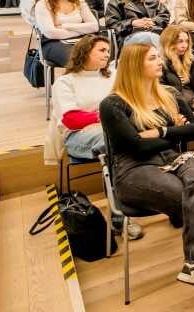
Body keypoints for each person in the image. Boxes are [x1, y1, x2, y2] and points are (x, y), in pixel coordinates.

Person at [99, 43, 194, 307]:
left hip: (172, 158)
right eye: (153, 58)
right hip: (134, 170)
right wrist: (175, 131)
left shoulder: (169, 94)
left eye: (158, 57)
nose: (160, 62)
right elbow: (136, 147)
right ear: (134, 65)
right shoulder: (113, 104)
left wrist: (161, 132)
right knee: (193, 197)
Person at [45, 35, 143, 240]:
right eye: (101, 50)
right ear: (84, 52)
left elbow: (131, 103)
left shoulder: (113, 76)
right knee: (118, 141)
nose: (107, 54)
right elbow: (72, 119)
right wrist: (107, 115)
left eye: (108, 51)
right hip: (79, 136)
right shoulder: (65, 82)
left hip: (113, 131)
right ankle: (119, 215)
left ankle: (148, 194)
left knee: (130, 136)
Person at [33, 0, 99, 66]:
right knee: (78, 58)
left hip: (81, 40)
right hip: (53, 43)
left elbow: (94, 26)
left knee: (101, 53)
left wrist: (66, 26)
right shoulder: (43, 4)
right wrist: (83, 30)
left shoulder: (78, 1)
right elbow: (50, 33)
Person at [106, 0, 170, 48]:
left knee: (176, 34)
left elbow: (165, 14)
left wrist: (153, 21)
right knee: (149, 37)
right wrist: (132, 23)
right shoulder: (115, 3)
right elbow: (112, 25)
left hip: (153, 31)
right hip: (129, 37)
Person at [158, 26, 194, 118]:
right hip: (176, 112)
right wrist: (193, 102)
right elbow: (162, 94)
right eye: (180, 41)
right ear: (168, 42)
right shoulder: (159, 65)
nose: (184, 45)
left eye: (187, 41)